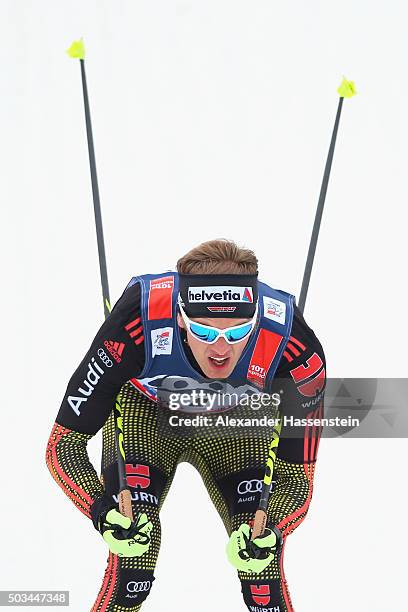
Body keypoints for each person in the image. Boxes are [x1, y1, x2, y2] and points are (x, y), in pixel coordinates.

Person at [46, 239, 326, 611]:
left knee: (260, 564)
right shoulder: (135, 322)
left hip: (237, 422)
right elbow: (63, 444)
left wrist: (274, 531)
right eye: (205, 332)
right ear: (180, 316)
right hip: (147, 414)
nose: (220, 350)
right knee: (135, 553)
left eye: (238, 332)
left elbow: (297, 479)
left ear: (257, 318)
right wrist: (101, 510)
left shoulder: (294, 345)